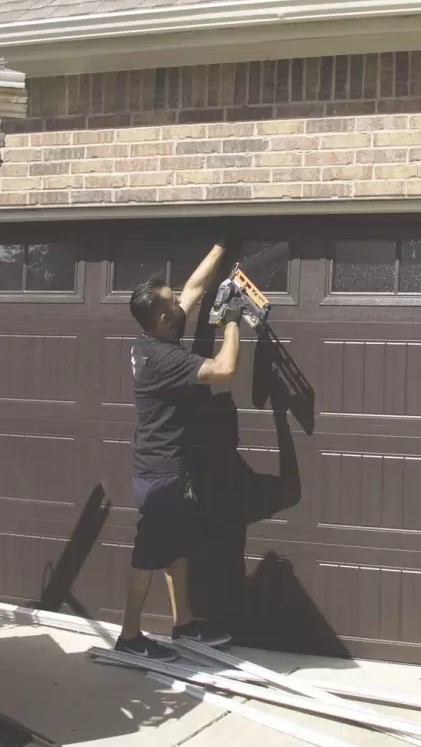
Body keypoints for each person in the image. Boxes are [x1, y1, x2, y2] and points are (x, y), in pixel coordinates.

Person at [115, 236, 244, 661]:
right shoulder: (164, 360)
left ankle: (183, 625)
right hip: (160, 475)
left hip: (167, 467)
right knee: (147, 554)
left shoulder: (151, 336)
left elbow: (192, 288)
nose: (181, 303)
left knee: (177, 548)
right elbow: (224, 370)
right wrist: (232, 320)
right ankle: (130, 637)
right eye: (173, 305)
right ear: (164, 321)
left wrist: (221, 246)